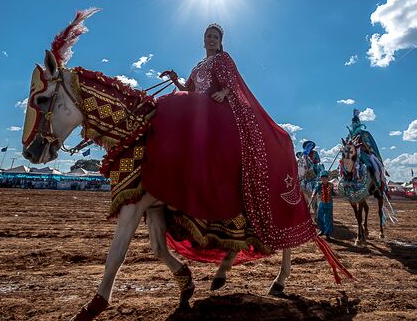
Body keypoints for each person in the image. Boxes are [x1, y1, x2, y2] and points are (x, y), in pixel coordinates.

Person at [143, 23, 316, 263]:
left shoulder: (223, 59)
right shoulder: (198, 65)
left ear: (220, 41)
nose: (211, 39)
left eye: (215, 36)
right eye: (208, 36)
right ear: (203, 40)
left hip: (218, 109)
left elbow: (232, 83)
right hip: (201, 109)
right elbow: (190, 90)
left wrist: (224, 93)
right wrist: (176, 81)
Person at [311, 171, 334, 240]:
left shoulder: (331, 185)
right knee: (320, 217)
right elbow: (315, 190)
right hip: (321, 203)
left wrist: (336, 191)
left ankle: (327, 233)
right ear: (321, 179)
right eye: (323, 178)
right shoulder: (319, 185)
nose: (324, 179)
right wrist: (313, 195)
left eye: (325, 178)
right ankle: (322, 230)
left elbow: (334, 192)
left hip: (329, 204)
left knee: (328, 218)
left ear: (328, 178)